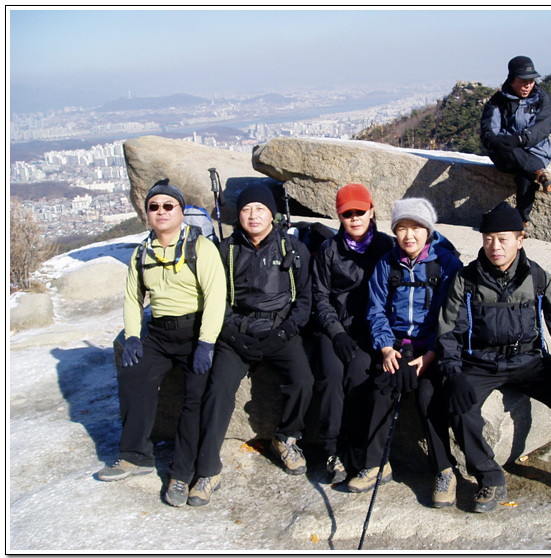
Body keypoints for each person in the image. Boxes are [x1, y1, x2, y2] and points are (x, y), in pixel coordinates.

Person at [436, 201, 551, 513]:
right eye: (488, 239)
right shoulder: (467, 279)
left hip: (530, 362)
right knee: (458, 406)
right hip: (481, 363)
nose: (494, 246)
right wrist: (454, 373)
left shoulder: (537, 278)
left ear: (520, 239)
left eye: (502, 239)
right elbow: (449, 331)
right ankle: (489, 476)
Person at [97, 180, 227, 510]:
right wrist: (132, 337)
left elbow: (216, 297)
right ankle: (134, 455)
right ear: (147, 214)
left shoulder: (201, 248)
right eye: (154, 207)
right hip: (158, 332)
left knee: (195, 396)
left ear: (181, 211)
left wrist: (206, 343)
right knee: (133, 375)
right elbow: (131, 297)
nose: (161, 212)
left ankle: (181, 473)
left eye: (168, 206)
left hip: (195, 330)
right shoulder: (142, 253)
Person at [188, 184, 313, 507]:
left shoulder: (293, 248)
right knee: (218, 389)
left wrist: (283, 334)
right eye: (246, 210)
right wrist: (232, 334)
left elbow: (304, 300)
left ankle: (285, 437)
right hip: (237, 332)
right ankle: (207, 469)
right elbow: (214, 300)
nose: (253, 215)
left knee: (304, 381)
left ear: (272, 213)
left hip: (279, 329)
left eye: (260, 209)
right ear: (238, 215)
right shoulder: (225, 250)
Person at [348, 197, 463, 508]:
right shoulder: (386, 264)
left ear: (428, 230)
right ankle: (376, 464)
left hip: (433, 349)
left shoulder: (447, 264)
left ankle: (444, 470)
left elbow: (450, 318)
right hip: (397, 345)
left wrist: (430, 356)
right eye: (401, 229)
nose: (409, 236)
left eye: (416, 228)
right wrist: (386, 348)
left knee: (428, 396)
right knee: (381, 386)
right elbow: (376, 311)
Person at [311, 183, 395, 484]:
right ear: (339, 216)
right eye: (348, 214)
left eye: (361, 211)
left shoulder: (386, 246)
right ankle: (333, 450)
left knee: (359, 375)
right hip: (333, 329)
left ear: (371, 210)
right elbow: (320, 297)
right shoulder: (329, 250)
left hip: (368, 330)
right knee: (331, 377)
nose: (355, 218)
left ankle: (358, 448)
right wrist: (336, 333)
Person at [480, 55, 551, 226]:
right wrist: (503, 141)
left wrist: (520, 139)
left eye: (531, 81)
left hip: (536, 153)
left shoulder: (541, 98)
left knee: (525, 176)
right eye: (522, 81)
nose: (527, 85)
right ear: (511, 80)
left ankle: (521, 221)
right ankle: (540, 173)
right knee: (505, 146)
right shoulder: (498, 101)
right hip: (506, 155)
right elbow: (489, 132)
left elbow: (542, 128)